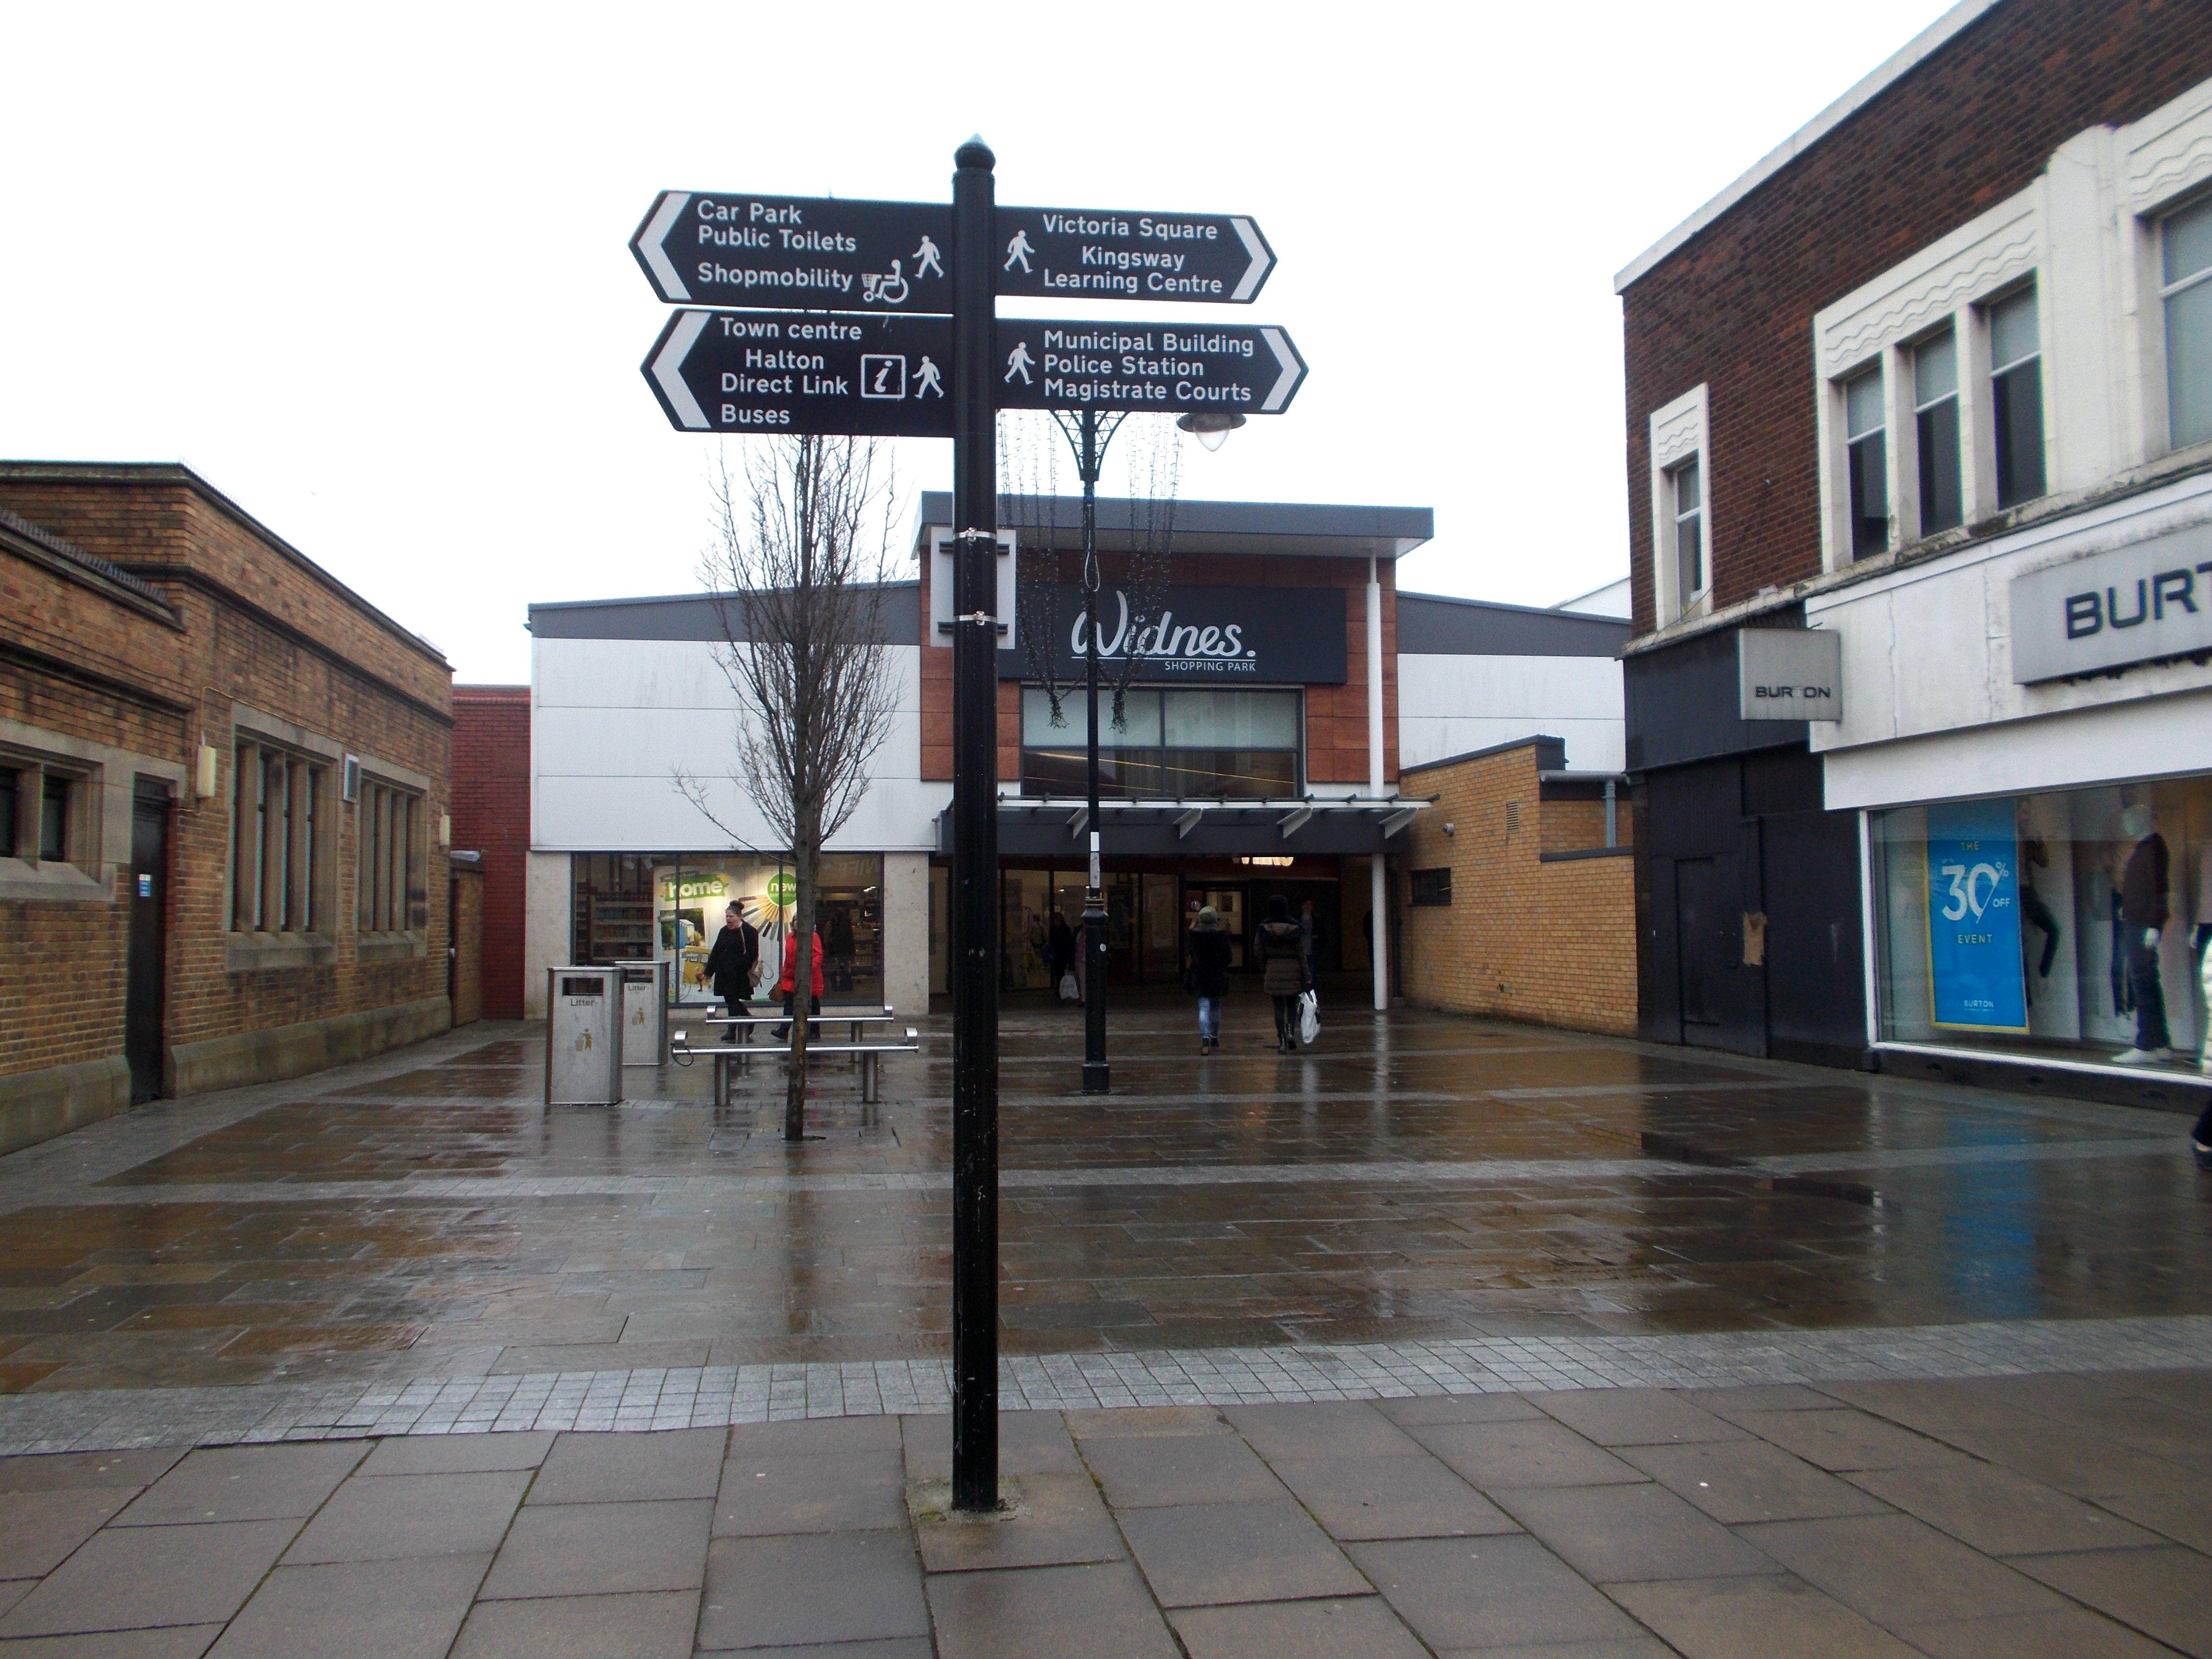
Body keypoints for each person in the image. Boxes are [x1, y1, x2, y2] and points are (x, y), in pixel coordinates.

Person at [1254, 894, 1309, 1053]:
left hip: (1273, 968)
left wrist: (1265, 966)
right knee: (1292, 1005)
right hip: (1293, 969)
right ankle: (1291, 1032)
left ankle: (1282, 1041)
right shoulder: (1295, 928)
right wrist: (1306, 975)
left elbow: (1257, 950)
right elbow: (1301, 954)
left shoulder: (1264, 928)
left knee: (1278, 1007)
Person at [700, 901, 759, 1042]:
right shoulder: (724, 931)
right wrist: (708, 971)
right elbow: (716, 952)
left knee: (733, 1001)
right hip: (724, 974)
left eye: (731, 916)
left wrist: (740, 965)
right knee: (730, 1000)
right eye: (727, 916)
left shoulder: (749, 931)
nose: (728, 919)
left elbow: (752, 954)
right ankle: (747, 1020)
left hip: (739, 975)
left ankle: (733, 1028)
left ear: (739, 917)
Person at [1186, 905, 1233, 1053]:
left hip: (1200, 975)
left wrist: (1191, 930)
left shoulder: (1194, 935)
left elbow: (1191, 953)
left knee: (1204, 1006)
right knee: (1215, 1007)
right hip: (1217, 975)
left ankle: (1205, 1038)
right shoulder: (1221, 935)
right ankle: (1214, 1035)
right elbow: (1228, 957)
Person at [772, 925, 824, 1041]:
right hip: (791, 975)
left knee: (813, 1003)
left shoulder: (813, 937)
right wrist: (784, 971)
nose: (797, 925)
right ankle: (784, 1030)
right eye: (795, 922)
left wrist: (807, 969)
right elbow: (788, 956)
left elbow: (818, 956)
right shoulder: (790, 936)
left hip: (808, 976)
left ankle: (814, 1030)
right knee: (789, 1003)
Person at [1047, 909, 1077, 998]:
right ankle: (1060, 989)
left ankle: (1060, 990)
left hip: (1061, 955)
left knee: (1060, 973)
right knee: (1058, 973)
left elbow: (1067, 943)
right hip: (1058, 955)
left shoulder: (1060, 929)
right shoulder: (1061, 929)